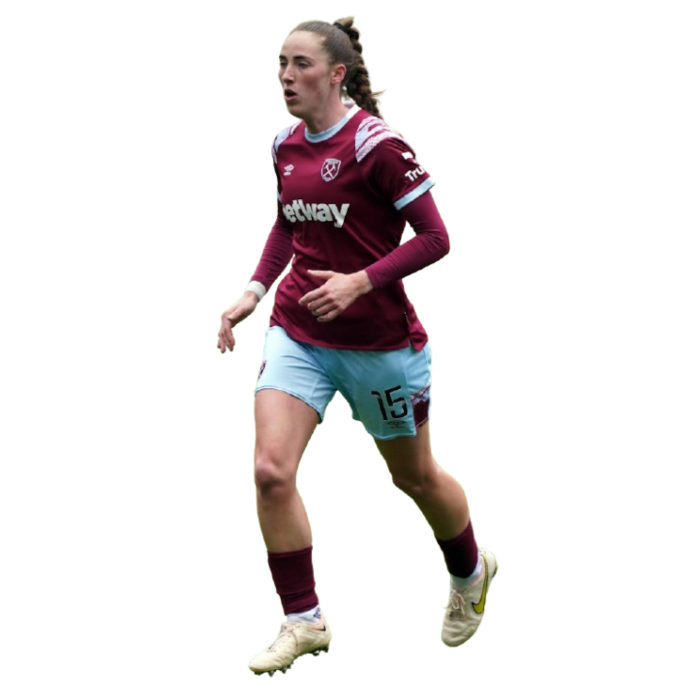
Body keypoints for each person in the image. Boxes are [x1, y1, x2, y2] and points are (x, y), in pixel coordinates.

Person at [216, 15, 499, 677]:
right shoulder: (284, 144)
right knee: (270, 471)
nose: (287, 77)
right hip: (298, 331)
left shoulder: (379, 145)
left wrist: (360, 282)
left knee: (413, 478)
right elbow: (286, 225)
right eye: (281, 64)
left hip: (380, 344)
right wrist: (253, 294)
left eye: (302, 64)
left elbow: (436, 238)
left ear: (337, 73)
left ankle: (469, 573)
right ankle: (303, 619)